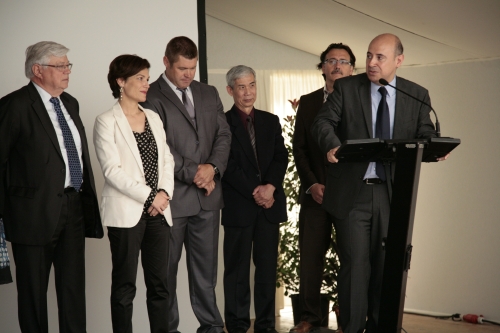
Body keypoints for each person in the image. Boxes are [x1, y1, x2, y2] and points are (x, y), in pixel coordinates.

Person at [312, 33, 442, 333]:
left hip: (393, 194)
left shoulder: (416, 94)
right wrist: (332, 144)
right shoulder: (346, 88)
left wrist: (436, 146)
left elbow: (425, 132)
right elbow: (322, 122)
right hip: (353, 195)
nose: (371, 62)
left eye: (379, 57)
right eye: (369, 55)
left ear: (399, 60)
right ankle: (353, 329)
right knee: (356, 269)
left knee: (388, 268)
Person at [0, 41, 103, 333]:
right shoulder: (15, 106)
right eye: (60, 65)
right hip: (31, 214)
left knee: (73, 290)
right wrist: (5, 213)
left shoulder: (70, 103)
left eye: (68, 65)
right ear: (37, 70)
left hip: (72, 207)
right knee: (33, 295)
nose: (67, 71)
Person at [141, 36, 231, 333]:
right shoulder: (149, 96)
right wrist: (196, 172)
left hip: (208, 199)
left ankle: (212, 328)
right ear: (166, 62)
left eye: (192, 68)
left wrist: (213, 168)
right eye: (182, 68)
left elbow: (223, 135)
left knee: (206, 273)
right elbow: (158, 147)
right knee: (165, 274)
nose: (188, 75)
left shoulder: (208, 92)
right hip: (171, 201)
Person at [93, 54, 175, 333]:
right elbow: (112, 171)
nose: (146, 84)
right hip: (127, 214)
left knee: (160, 287)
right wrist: (151, 197)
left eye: (147, 78)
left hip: (158, 213)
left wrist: (163, 194)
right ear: (120, 81)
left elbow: (167, 160)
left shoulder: (152, 116)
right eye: (140, 78)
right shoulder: (106, 121)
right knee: (125, 287)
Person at [290, 43, 355, 333]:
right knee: (310, 259)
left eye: (343, 61)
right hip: (316, 194)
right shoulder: (309, 101)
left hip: (352, 197)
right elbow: (299, 148)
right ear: (322, 67)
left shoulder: (362, 102)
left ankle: (349, 320)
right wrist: (312, 183)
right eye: (331, 61)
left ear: (353, 68)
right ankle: (309, 318)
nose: (337, 66)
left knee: (352, 259)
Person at [222, 66, 288, 333]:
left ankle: (266, 326)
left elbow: (280, 157)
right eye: (241, 87)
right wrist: (257, 191)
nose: (248, 92)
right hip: (239, 207)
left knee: (267, 271)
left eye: (251, 85)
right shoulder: (222, 122)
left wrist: (270, 188)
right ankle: (237, 326)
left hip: (269, 207)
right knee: (236, 272)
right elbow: (226, 165)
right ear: (230, 90)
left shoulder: (270, 120)